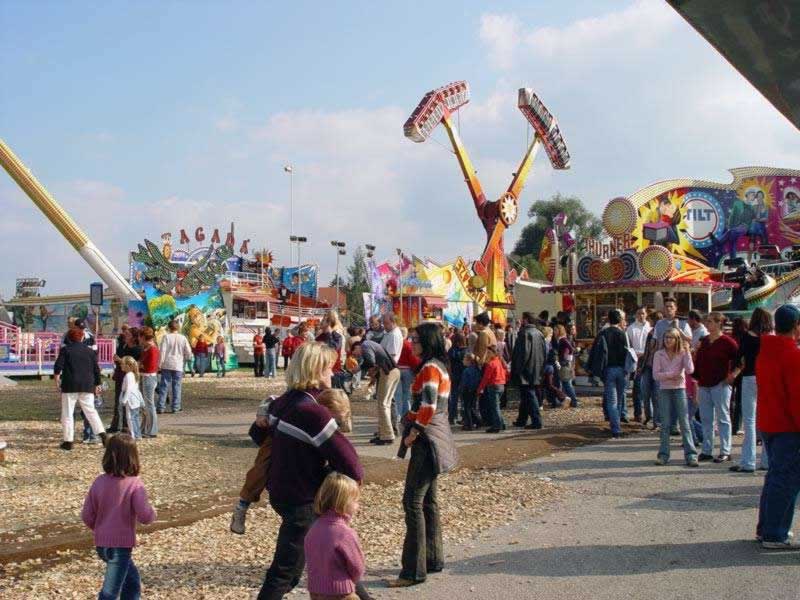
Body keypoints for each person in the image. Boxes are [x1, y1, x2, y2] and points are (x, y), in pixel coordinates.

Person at [253, 342, 365, 599]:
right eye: (328, 368)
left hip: (281, 490)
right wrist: (346, 488)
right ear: (316, 370)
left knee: (305, 564)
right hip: (302, 497)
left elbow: (257, 435)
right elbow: (351, 463)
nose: (332, 374)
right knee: (285, 573)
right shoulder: (313, 412)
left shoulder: (284, 402)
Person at [231, 385, 355, 536]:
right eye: (333, 419)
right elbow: (271, 400)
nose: (333, 423)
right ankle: (242, 506)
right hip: (274, 445)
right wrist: (262, 413)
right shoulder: (305, 405)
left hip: (295, 474)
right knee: (259, 472)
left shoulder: (322, 405)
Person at [388, 322, 457, 588]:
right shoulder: (439, 366)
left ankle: (412, 571)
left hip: (427, 440)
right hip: (438, 436)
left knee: (412, 502)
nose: (412, 343)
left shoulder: (429, 368)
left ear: (428, 341)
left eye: (415, 339)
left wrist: (413, 432)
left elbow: (428, 406)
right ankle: (432, 559)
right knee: (429, 501)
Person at [82, 434, 157, 599]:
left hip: (101, 544)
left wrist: (102, 528)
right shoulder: (135, 484)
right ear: (133, 457)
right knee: (109, 593)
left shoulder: (99, 482)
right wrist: (153, 514)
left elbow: (86, 515)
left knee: (131, 582)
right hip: (120, 547)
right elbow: (145, 516)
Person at [755, 304, 800, 549]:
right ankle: (775, 532)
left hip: (769, 421)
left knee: (775, 478)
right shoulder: (793, 355)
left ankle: (767, 528)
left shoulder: (767, 350)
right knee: (785, 480)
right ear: (796, 327)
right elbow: (796, 398)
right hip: (787, 425)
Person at [304, 472, 366, 600]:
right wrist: (350, 581)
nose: (358, 505)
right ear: (342, 503)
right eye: (355, 501)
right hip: (341, 592)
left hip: (316, 591)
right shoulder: (344, 533)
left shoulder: (314, 528)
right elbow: (357, 567)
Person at [693, 312, 739, 463]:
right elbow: (699, 361)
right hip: (704, 383)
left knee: (723, 418)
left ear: (719, 323)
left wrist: (733, 375)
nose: (708, 324)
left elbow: (741, 359)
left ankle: (725, 450)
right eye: (707, 321)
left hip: (721, 383)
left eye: (711, 321)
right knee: (706, 419)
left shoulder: (728, 342)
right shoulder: (705, 341)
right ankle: (707, 450)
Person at [731, 308, 773, 473]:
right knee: (766, 419)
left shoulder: (747, 337)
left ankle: (748, 462)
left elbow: (739, 358)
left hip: (750, 377)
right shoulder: (771, 338)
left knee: (749, 421)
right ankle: (767, 460)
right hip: (767, 379)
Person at [54, 327, 108, 450]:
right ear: (82, 337)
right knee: (91, 411)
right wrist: (97, 384)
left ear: (69, 338)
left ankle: (68, 441)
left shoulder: (65, 350)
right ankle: (103, 435)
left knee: (67, 413)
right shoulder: (90, 352)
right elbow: (96, 369)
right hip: (87, 385)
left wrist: (57, 380)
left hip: (70, 385)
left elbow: (58, 366)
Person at [653, 328, 699, 467]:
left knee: (684, 423)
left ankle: (690, 454)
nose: (668, 340)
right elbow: (656, 375)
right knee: (665, 424)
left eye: (671, 337)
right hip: (665, 389)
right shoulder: (659, 354)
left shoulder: (682, 353)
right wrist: (673, 374)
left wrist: (688, 354)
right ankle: (663, 454)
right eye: (666, 337)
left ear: (677, 339)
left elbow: (690, 370)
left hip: (679, 389)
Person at [588, 309, 629, 438]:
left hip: (608, 369)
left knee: (611, 400)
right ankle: (618, 422)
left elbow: (595, 352)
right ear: (620, 320)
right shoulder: (622, 334)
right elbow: (626, 352)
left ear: (608, 319)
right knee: (620, 398)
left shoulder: (603, 333)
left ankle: (615, 428)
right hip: (622, 369)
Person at [350, 339, 398, 445]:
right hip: (392, 371)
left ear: (357, 347)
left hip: (388, 372)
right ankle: (384, 433)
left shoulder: (365, 345)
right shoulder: (370, 345)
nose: (357, 356)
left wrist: (358, 368)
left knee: (383, 405)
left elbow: (370, 362)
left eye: (355, 353)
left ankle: (387, 435)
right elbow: (374, 363)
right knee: (386, 404)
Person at [511, 311, 547, 429]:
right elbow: (544, 352)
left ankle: (537, 420)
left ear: (526, 319)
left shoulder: (525, 333)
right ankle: (522, 419)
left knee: (529, 394)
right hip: (537, 367)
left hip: (526, 368)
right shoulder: (539, 333)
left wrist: (517, 369)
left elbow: (522, 354)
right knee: (526, 394)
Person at [157, 320, 193, 414]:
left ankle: (161, 407)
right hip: (178, 365)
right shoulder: (183, 338)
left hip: (167, 364)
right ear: (178, 328)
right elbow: (188, 352)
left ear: (169, 328)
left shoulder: (166, 337)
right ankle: (176, 407)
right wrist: (186, 358)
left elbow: (162, 351)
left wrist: (159, 364)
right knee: (177, 386)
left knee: (164, 386)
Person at [109, 327, 141, 433]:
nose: (125, 335)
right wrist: (117, 360)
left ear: (133, 337)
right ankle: (115, 425)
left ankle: (126, 426)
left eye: (127, 334)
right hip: (120, 375)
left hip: (129, 377)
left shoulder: (137, 349)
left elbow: (133, 364)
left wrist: (120, 360)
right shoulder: (123, 345)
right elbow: (118, 358)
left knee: (127, 401)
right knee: (117, 401)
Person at [626, 306, 651, 422]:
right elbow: (628, 345)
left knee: (649, 388)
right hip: (636, 360)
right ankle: (638, 414)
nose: (641, 316)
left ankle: (649, 414)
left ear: (646, 314)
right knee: (637, 387)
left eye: (643, 313)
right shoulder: (631, 329)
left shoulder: (650, 328)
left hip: (649, 359)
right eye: (639, 313)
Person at [638, 311, 662, 429]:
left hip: (658, 367)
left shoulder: (663, 333)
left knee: (656, 395)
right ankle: (649, 416)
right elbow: (647, 350)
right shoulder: (650, 333)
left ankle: (656, 420)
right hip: (648, 366)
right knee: (646, 393)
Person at [477, 346, 507, 433]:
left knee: (495, 407)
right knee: (496, 406)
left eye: (489, 353)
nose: (487, 354)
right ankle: (501, 423)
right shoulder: (499, 361)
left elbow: (486, 378)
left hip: (494, 385)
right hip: (501, 384)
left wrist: (480, 388)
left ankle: (497, 425)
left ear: (493, 353)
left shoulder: (491, 363)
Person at [395, 327, 421, 424]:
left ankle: (397, 415)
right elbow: (413, 359)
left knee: (397, 394)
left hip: (397, 369)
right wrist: (415, 371)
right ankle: (406, 415)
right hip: (407, 370)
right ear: (405, 334)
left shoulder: (395, 343)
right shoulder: (408, 344)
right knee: (406, 394)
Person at [138, 327, 159, 438]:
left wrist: (139, 365)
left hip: (149, 378)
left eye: (140, 337)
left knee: (149, 404)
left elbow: (150, 367)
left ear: (143, 337)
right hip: (144, 377)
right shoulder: (146, 348)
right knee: (145, 404)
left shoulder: (152, 349)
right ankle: (145, 427)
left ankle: (152, 429)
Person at [119, 356, 143, 440]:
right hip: (135, 399)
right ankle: (137, 434)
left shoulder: (129, 375)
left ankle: (133, 435)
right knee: (135, 418)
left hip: (130, 400)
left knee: (130, 418)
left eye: (122, 364)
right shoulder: (134, 374)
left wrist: (124, 400)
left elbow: (128, 389)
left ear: (127, 365)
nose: (120, 366)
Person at [555, 324, 578, 408]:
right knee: (565, 383)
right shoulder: (560, 339)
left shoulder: (563, 339)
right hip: (564, 362)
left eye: (556, 330)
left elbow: (571, 349)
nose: (555, 332)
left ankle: (574, 401)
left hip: (564, 363)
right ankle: (571, 400)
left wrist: (567, 358)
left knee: (566, 383)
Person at [447, 333, 467, 425]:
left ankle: (452, 417)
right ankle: (464, 417)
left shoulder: (451, 351)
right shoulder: (466, 351)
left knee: (454, 397)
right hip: (464, 375)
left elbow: (448, 363)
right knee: (464, 398)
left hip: (454, 375)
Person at [459, 353, 482, 430]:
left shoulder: (467, 370)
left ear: (468, 361)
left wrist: (461, 389)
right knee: (472, 407)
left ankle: (469, 424)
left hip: (467, 390)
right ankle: (477, 421)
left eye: (464, 359)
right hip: (474, 390)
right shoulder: (476, 369)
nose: (463, 361)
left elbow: (464, 382)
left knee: (467, 408)